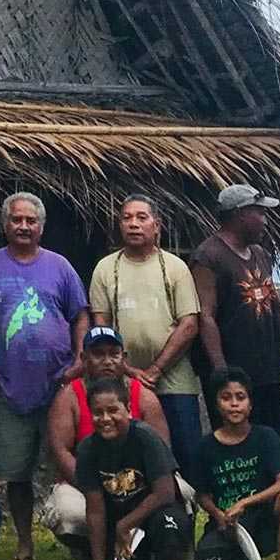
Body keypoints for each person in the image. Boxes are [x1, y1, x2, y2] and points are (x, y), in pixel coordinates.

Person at [0, 191, 88, 560]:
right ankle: (25, 545)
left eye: (30, 221)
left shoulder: (60, 267)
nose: (23, 226)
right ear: (5, 224)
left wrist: (78, 359)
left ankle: (78, 541)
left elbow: (80, 316)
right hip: (11, 388)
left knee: (66, 466)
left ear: (41, 227)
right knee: (16, 473)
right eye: (16, 220)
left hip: (59, 386)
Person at [45, 328, 187, 560]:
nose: (107, 361)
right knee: (68, 512)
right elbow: (60, 451)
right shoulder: (69, 396)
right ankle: (93, 554)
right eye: (98, 354)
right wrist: (98, 491)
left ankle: (171, 551)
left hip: (140, 484)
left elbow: (162, 451)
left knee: (182, 491)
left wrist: (130, 497)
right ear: (84, 359)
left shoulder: (143, 395)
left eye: (114, 354)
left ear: (125, 358)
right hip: (88, 484)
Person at [88, 194, 204, 469]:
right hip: (123, 379)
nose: (134, 224)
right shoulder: (106, 269)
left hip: (174, 379)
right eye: (127, 218)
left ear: (157, 225)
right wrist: (128, 370)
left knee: (186, 453)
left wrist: (156, 370)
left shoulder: (175, 267)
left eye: (142, 217)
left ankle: (186, 510)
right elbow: (101, 325)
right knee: (132, 456)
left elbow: (189, 324)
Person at [189, 185, 280, 438]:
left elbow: (276, 307)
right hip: (236, 375)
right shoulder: (209, 257)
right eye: (260, 213)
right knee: (239, 442)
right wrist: (221, 371)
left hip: (267, 371)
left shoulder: (260, 254)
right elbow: (205, 316)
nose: (265, 220)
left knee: (274, 438)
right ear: (240, 214)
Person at [187, 367, 280, 560]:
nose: (234, 405)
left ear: (250, 404)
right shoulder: (205, 446)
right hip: (226, 526)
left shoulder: (266, 437)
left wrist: (244, 503)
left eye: (240, 397)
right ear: (216, 404)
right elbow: (203, 495)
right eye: (226, 398)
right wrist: (218, 515)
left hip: (264, 522)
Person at [74, 377, 194, 560]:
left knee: (170, 526)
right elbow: (96, 512)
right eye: (98, 413)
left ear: (128, 410)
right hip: (122, 527)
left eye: (112, 410)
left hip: (156, 514)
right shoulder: (87, 450)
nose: (106, 419)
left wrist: (125, 524)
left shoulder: (145, 437)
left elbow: (165, 493)